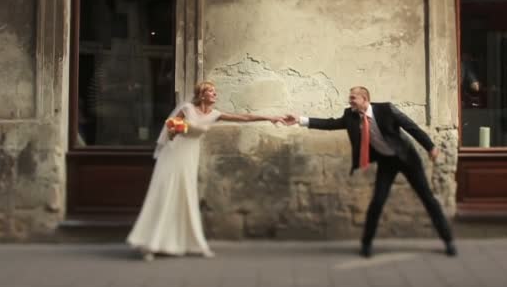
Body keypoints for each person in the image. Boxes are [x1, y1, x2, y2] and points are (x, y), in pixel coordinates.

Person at [284, 86, 456, 258]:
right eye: (350, 98)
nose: (350, 101)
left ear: (364, 99)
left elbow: (411, 127)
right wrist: (300, 119)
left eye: (353, 98)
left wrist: (430, 147)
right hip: (386, 162)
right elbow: (330, 124)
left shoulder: (386, 110)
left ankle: (448, 241)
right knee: (377, 201)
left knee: (427, 198)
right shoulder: (350, 116)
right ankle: (366, 244)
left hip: (406, 158)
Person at [127, 81, 285, 261]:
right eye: (211, 91)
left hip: (189, 157)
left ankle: (190, 243)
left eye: (215, 92)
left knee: (185, 195)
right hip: (173, 155)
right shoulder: (187, 108)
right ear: (201, 95)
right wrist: (177, 129)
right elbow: (169, 132)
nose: (215, 94)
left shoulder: (215, 114)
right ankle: (150, 244)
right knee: (165, 194)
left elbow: (244, 117)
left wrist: (270, 118)